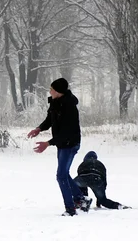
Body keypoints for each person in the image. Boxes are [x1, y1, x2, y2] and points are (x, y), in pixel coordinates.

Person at [27, 78, 91, 216]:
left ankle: (70, 209)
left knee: (61, 176)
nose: (49, 91)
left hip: (70, 143)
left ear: (58, 91)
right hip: (62, 144)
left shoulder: (69, 107)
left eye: (51, 89)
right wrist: (39, 129)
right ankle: (82, 199)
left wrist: (48, 143)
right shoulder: (55, 102)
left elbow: (66, 133)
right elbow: (50, 119)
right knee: (64, 174)